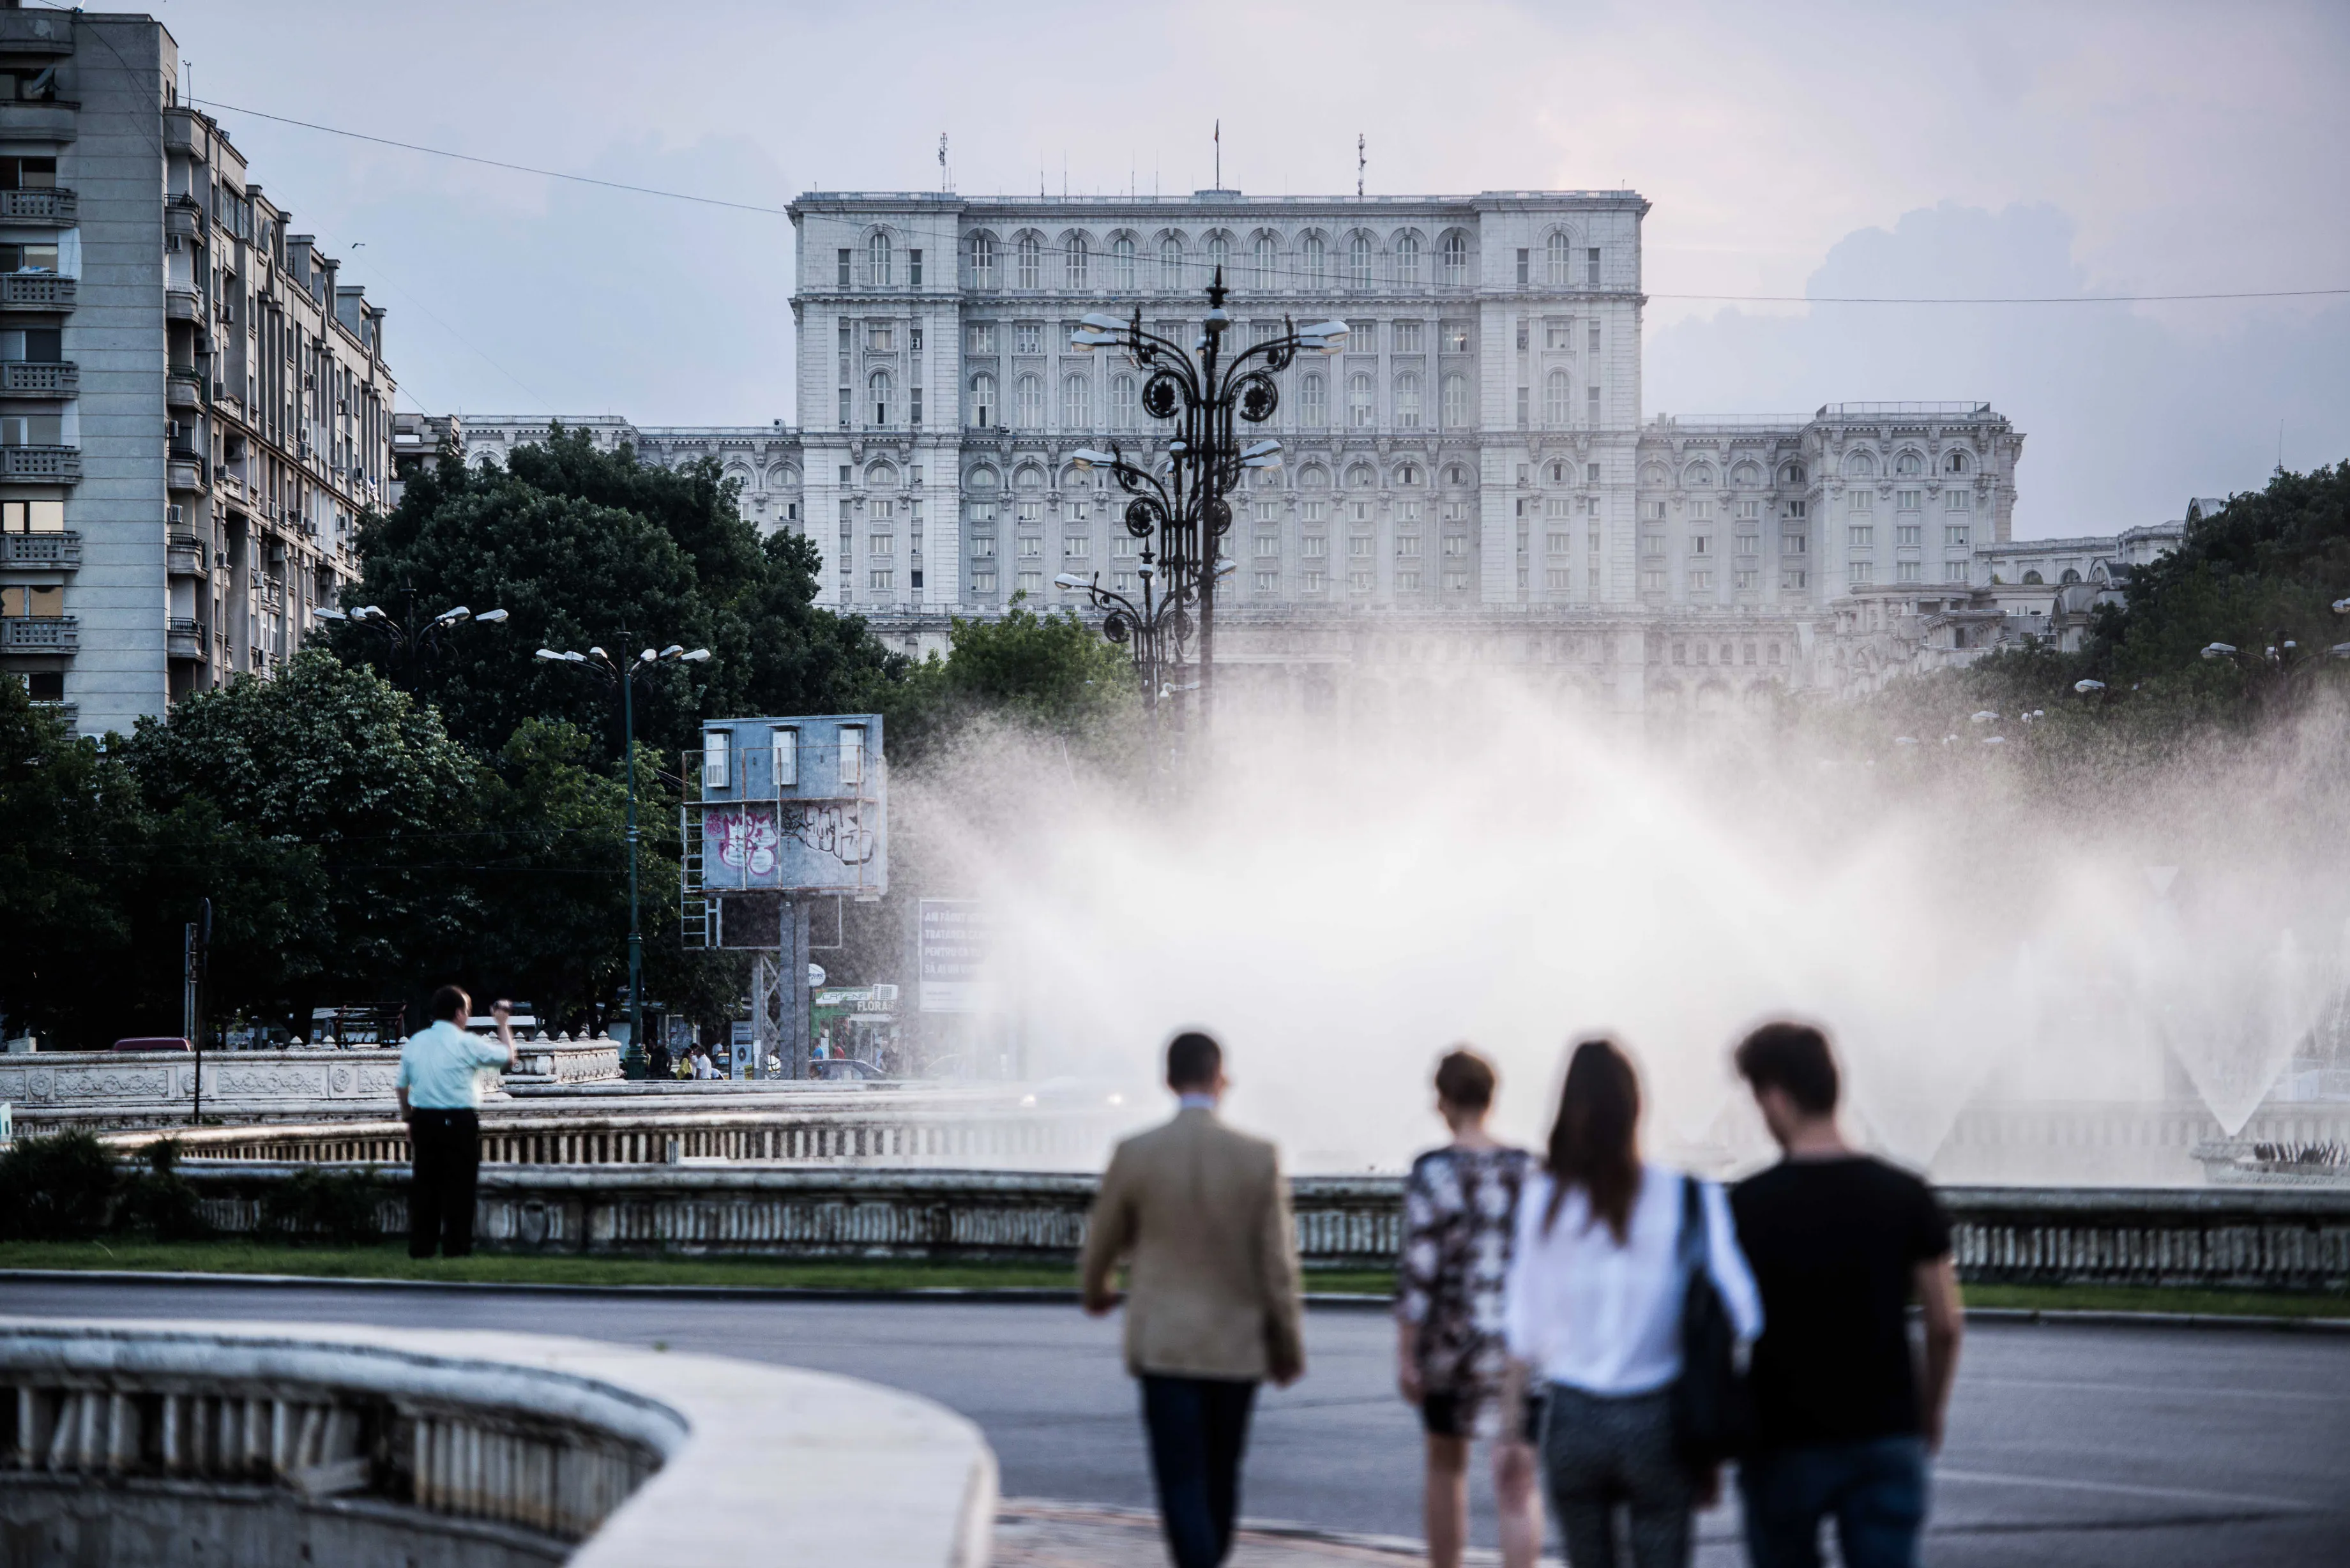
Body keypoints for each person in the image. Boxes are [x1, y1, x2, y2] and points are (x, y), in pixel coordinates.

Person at [1502, 1038, 1761, 1568]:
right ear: (1637, 1108)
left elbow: (1523, 1329)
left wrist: (1512, 1432)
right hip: (1658, 1418)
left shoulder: (1542, 1201)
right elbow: (1746, 1311)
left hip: (1572, 1416)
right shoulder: (1690, 1197)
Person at [1729, 1021, 1962, 1568]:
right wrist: (1929, 1412)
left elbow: (1718, 1327)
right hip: (1885, 1431)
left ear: (1777, 1099)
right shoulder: (1905, 1194)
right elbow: (1946, 1322)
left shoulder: (1749, 1203)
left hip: (1782, 1437)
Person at [1080, 1030, 1305, 1568]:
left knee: (1180, 1478)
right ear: (1220, 1077)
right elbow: (1278, 1268)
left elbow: (1102, 1244)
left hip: (1165, 1346)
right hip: (1235, 1349)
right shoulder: (1257, 1157)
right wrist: (1288, 1345)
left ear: (1167, 1080)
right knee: (1223, 1475)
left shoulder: (1136, 1153)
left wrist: (1098, 1292)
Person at [1397, 1048, 1542, 1568]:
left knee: (1445, 1467)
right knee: (1517, 1480)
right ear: (1490, 1097)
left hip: (1450, 1342)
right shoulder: (1528, 1169)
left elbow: (1419, 1272)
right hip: (1517, 1345)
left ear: (1443, 1100)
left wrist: (1407, 1352)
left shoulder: (1432, 1172)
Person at [394, 986, 516, 1259]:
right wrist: (502, 1024)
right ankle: (456, 1248)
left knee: (425, 1187)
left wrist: (409, 1119)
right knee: (460, 1189)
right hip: (459, 1120)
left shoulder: (416, 1042)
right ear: (460, 1013)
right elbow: (508, 1058)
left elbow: (401, 1087)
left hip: (424, 1120)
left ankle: (422, 1248)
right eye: (468, 1012)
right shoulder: (466, 1043)